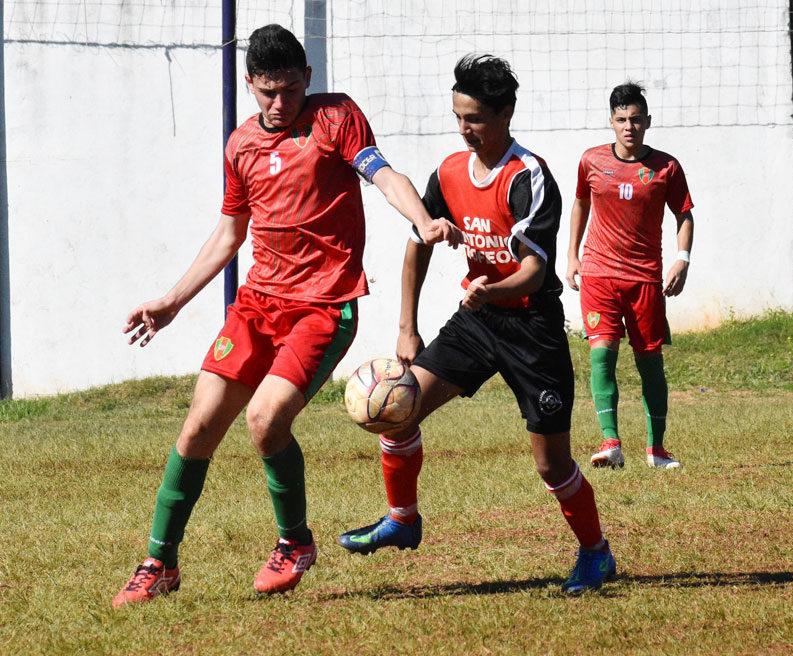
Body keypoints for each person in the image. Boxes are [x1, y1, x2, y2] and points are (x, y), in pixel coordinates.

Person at [112, 24, 460, 607]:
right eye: (269, 92)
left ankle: (294, 542)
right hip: (256, 306)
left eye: (292, 89)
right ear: (249, 83)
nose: (281, 103)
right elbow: (230, 233)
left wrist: (421, 219)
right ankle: (159, 562)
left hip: (324, 306)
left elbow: (381, 172)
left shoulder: (336, 118)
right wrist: (173, 300)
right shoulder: (240, 145)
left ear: (309, 79)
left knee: (265, 420)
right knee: (197, 429)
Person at [335, 54, 616, 592]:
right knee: (399, 408)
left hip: (531, 328)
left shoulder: (527, 177)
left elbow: (535, 271)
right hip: (476, 323)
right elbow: (418, 243)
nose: (464, 129)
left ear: (506, 113)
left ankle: (595, 553)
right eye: (459, 117)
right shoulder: (446, 172)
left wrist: (495, 289)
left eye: (476, 119)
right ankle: (402, 519)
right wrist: (405, 328)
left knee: (551, 466)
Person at [565, 82, 694, 471]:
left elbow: (684, 214)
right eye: (621, 119)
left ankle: (657, 451)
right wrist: (572, 255)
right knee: (601, 356)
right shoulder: (591, 161)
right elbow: (580, 203)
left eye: (636, 119)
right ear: (611, 122)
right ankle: (611, 443)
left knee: (649, 362)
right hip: (599, 274)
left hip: (644, 278)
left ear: (647, 122)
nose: (629, 126)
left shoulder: (666, 167)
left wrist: (682, 260)